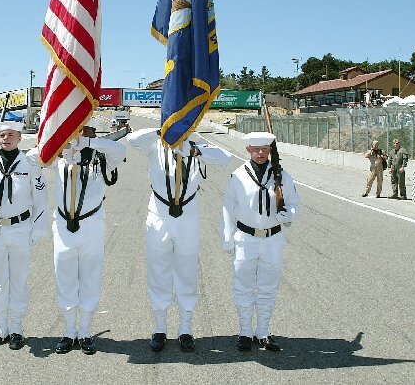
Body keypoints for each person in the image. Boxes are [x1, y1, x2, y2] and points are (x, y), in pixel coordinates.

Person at [127, 127, 231, 352]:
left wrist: (194, 150)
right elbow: (132, 138)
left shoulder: (196, 146)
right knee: (158, 272)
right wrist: (162, 131)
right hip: (159, 214)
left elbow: (225, 159)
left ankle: (186, 329)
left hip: (187, 216)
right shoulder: (155, 145)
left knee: (186, 272)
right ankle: (160, 328)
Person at [0, 121, 49, 351]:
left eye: (11, 135)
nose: (6, 139)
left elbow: (41, 200)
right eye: (2, 135)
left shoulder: (30, 165)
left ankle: (16, 328)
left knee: (18, 280)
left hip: (20, 228)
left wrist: (38, 228)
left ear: (19, 138)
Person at [51, 119, 126, 355]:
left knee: (90, 278)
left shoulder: (103, 159)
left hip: (92, 225)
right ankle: (68, 331)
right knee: (65, 279)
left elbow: (120, 150)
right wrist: (63, 144)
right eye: (75, 130)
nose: (79, 135)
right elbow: (37, 154)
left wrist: (89, 143)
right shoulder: (61, 158)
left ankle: (84, 331)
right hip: (64, 225)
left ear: (93, 133)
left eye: (84, 131)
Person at [222, 132, 300, 352]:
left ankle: (263, 332)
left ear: (270, 151)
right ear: (248, 150)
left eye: (265, 149)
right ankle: (245, 332)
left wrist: (289, 215)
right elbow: (228, 208)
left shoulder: (282, 176)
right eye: (256, 149)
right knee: (243, 288)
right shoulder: (237, 176)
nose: (260, 153)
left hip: (273, 239)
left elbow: (294, 202)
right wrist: (227, 238)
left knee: (268, 288)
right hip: (246, 238)